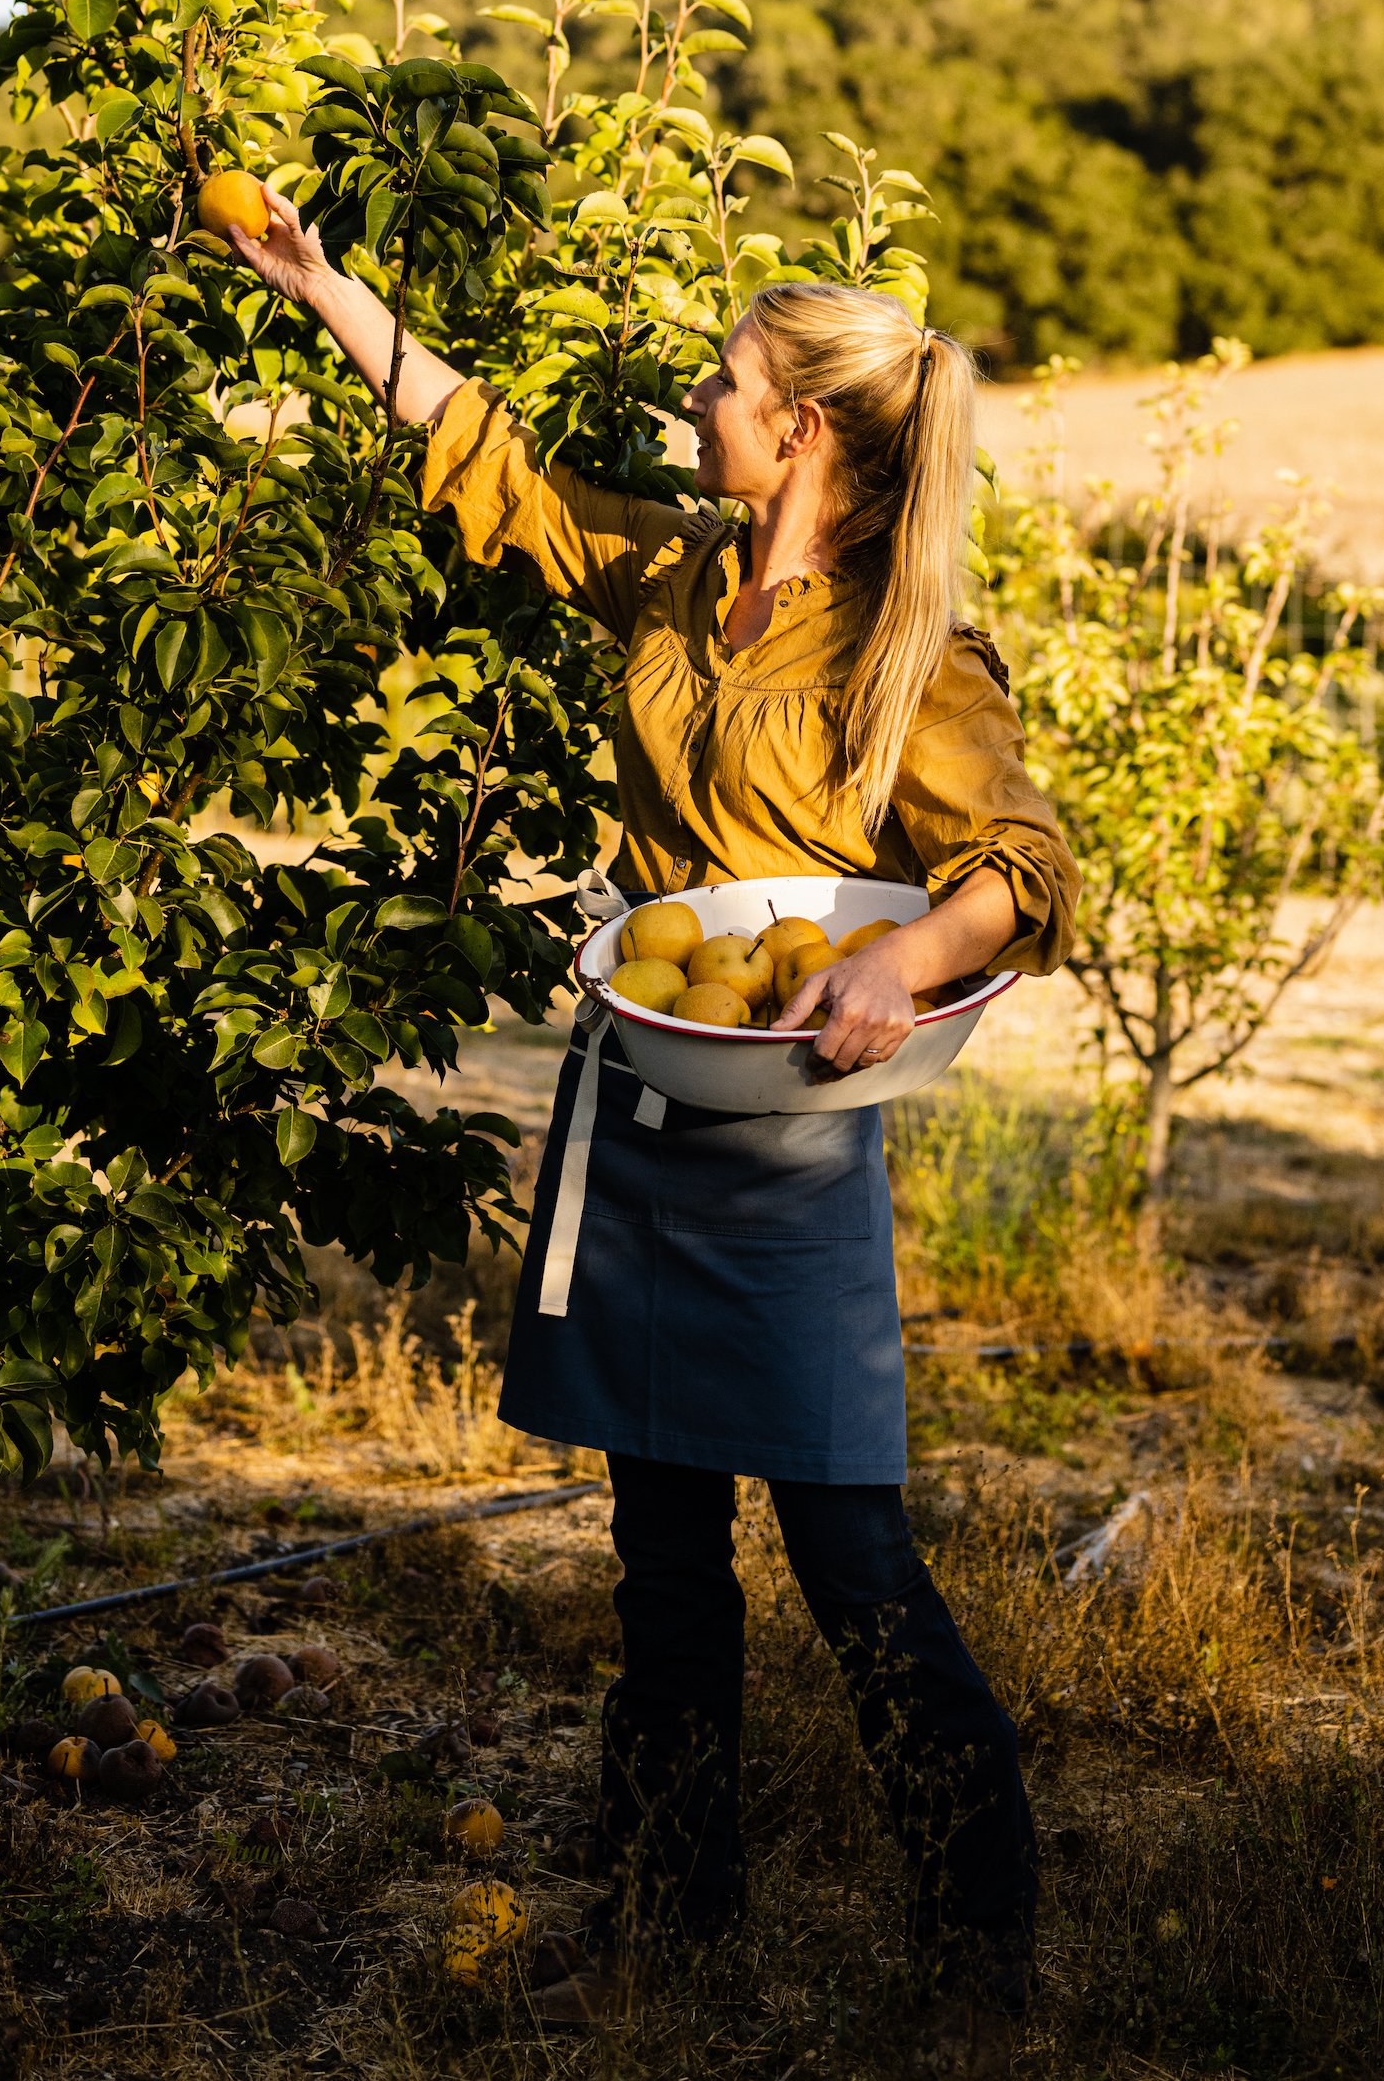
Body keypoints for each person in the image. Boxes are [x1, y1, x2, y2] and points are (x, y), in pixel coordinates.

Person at [234, 189, 1079, 2071]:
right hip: (638, 1101)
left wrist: (901, 964)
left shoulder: (903, 646)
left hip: (787, 1136)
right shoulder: (687, 576)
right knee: (662, 1557)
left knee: (851, 1557)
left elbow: (1020, 865)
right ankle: (669, 1920)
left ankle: (983, 1947)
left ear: (807, 430)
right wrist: (325, 291)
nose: (695, 402)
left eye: (722, 381)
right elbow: (503, 476)